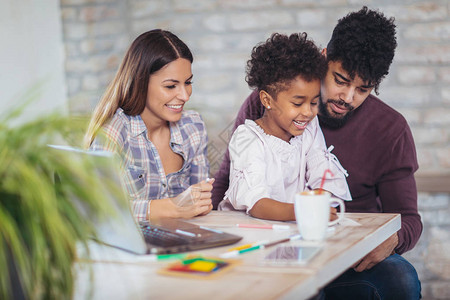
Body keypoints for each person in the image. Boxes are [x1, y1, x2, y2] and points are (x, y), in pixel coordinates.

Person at [212, 7, 422, 299]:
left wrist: (392, 240)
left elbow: (409, 218)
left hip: (349, 256)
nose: (347, 98)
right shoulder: (269, 104)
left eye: (363, 89)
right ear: (324, 58)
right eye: (340, 80)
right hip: (275, 244)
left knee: (401, 278)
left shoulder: (391, 129)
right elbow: (228, 180)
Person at [219, 32, 351, 221]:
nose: (307, 112)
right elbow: (257, 203)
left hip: (288, 231)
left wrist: (322, 199)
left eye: (314, 103)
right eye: (298, 103)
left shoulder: (309, 128)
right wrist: (304, 211)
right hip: (250, 235)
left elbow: (322, 171)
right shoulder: (247, 139)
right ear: (267, 100)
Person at [84, 29, 213, 222]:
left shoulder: (193, 127)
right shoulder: (113, 133)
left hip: (185, 241)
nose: (185, 95)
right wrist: (171, 208)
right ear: (140, 82)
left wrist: (199, 204)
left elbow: (202, 205)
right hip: (130, 248)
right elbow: (98, 210)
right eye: (171, 86)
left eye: (188, 82)